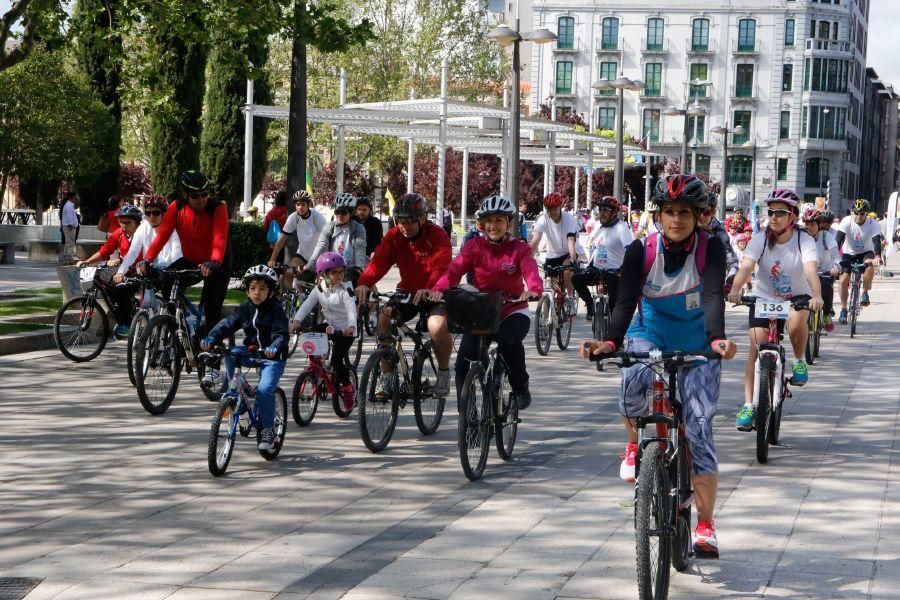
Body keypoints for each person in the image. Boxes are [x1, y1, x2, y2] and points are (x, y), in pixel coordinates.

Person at [581, 174, 736, 558]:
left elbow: (714, 294)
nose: (677, 219)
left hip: (699, 340)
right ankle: (635, 444)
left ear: (699, 216)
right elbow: (625, 300)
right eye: (669, 211)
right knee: (632, 384)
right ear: (659, 215)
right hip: (648, 332)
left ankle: (704, 525)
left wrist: (717, 339)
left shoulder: (710, 249)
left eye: (685, 212)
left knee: (698, 430)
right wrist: (610, 342)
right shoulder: (641, 251)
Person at [430, 195, 542, 408]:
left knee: (510, 344)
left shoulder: (520, 248)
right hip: (481, 311)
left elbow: (531, 272)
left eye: (499, 220)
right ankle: (468, 410)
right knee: (464, 360)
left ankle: (521, 385)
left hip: (513, 310)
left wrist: (533, 290)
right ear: (481, 223)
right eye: (488, 221)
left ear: (508, 223)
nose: (493, 226)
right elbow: (454, 271)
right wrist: (439, 289)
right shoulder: (474, 246)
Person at [727, 189, 823, 430]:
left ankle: (799, 360)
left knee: (796, 319)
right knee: (755, 348)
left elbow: (811, 270)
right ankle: (749, 405)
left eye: (780, 212)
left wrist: (818, 296)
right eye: (771, 212)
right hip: (763, 296)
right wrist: (735, 289)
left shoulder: (804, 240)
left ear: (792, 216)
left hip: (796, 297)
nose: (774, 217)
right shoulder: (760, 239)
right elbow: (746, 266)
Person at [354, 192, 454, 399]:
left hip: (435, 293)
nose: (404, 227)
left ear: (423, 218)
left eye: (410, 222)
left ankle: (444, 374)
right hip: (407, 292)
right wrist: (364, 283)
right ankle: (388, 378)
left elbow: (441, 266)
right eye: (401, 221)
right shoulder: (394, 236)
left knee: (437, 327)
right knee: (384, 316)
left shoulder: (437, 236)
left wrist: (430, 288)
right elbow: (379, 262)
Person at [201, 265, 288, 450]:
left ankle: (268, 430)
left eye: (263, 288)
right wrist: (212, 336)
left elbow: (281, 333)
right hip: (252, 351)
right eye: (253, 288)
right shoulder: (245, 308)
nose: (257, 292)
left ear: (271, 293)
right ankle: (238, 403)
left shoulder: (276, 310)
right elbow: (228, 323)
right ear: (247, 290)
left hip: (272, 357)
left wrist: (275, 346)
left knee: (264, 390)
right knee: (231, 354)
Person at [139, 170, 231, 335]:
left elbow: (220, 239)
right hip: (190, 260)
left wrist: (214, 261)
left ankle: (212, 348)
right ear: (184, 194)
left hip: (217, 262)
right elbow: (162, 236)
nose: (201, 199)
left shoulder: (218, 208)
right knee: (167, 281)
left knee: (212, 309)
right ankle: (182, 323)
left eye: (205, 194)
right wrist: (148, 259)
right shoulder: (176, 207)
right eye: (195, 196)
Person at [291, 252, 358, 411]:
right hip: (330, 326)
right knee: (312, 333)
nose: (339, 275)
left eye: (341, 272)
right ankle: (315, 364)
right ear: (324, 274)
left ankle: (348, 389)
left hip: (345, 331)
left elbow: (351, 310)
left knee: (336, 360)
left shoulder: (346, 290)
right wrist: (297, 320)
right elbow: (307, 305)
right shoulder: (319, 289)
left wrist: (351, 327)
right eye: (334, 272)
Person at [77, 204, 144, 337]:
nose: (123, 225)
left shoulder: (142, 234)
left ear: (136, 223)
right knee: (107, 287)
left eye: (127, 223)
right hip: (125, 270)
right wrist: (88, 261)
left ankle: (126, 323)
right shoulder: (119, 233)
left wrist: (120, 261)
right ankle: (122, 313)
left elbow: (143, 255)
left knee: (122, 288)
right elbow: (105, 250)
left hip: (141, 271)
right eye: (121, 222)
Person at [573, 196, 633, 321]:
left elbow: (630, 251)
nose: (602, 213)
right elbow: (596, 248)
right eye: (600, 210)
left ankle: (613, 335)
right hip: (597, 269)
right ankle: (589, 304)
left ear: (615, 212)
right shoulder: (600, 227)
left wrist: (624, 269)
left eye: (606, 210)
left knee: (614, 304)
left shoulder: (621, 228)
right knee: (576, 278)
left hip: (614, 271)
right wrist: (585, 263)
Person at [114, 195, 182, 283]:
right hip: (149, 272)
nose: (151, 216)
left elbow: (177, 256)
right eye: (148, 213)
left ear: (165, 213)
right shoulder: (143, 227)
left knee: (168, 293)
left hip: (170, 272)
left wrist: (170, 271)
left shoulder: (173, 230)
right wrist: (120, 272)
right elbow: (132, 253)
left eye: (156, 213)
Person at [268, 190, 326, 290]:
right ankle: (289, 301)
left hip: (319, 256)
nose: (300, 207)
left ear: (308, 205)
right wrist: (272, 259)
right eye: (298, 204)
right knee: (289, 272)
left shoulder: (316, 216)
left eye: (303, 204)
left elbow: (327, 237)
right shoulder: (293, 217)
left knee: (320, 285)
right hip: (303, 255)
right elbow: (281, 239)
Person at [304, 193, 367, 285]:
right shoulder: (329, 227)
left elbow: (360, 249)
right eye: (337, 212)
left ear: (352, 213)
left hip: (351, 270)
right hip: (332, 270)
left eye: (343, 213)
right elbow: (320, 247)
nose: (339, 216)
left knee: (364, 290)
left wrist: (359, 268)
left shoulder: (359, 228)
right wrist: (309, 266)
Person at [835, 198, 883, 318]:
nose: (859, 215)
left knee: (870, 265)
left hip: (865, 252)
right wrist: (835, 258)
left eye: (862, 213)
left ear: (866, 213)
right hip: (849, 253)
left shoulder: (873, 223)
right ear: (852, 212)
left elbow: (876, 241)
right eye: (856, 212)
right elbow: (838, 240)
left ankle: (865, 293)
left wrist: (877, 256)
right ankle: (844, 309)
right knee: (843, 280)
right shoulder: (847, 221)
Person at [530, 192, 579, 303]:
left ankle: (571, 297)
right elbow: (535, 240)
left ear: (560, 207)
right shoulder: (543, 219)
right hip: (552, 253)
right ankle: (552, 300)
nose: (553, 212)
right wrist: (528, 256)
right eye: (550, 209)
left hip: (568, 252)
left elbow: (571, 240)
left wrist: (573, 260)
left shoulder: (569, 219)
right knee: (550, 280)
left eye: (555, 208)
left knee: (567, 271)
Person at [803, 208, 840, 332]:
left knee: (825, 285)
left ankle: (826, 315)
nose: (808, 226)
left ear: (819, 225)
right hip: (807, 271)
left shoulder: (826, 236)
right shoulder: (801, 237)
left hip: (825, 270)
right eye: (806, 223)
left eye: (812, 224)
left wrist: (836, 266)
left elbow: (835, 252)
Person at [698, 192, 739, 286]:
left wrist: (731, 278)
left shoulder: (719, 231)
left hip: (710, 283)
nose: (700, 216)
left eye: (705, 212)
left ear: (713, 212)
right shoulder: (687, 226)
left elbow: (731, 260)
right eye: (697, 211)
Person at [60, 192, 80, 265]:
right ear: (71, 198)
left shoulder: (69, 205)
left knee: (68, 243)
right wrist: (71, 225)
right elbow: (69, 217)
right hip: (69, 227)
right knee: (70, 243)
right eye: (75, 198)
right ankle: (69, 259)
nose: (75, 199)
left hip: (69, 226)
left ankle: (66, 258)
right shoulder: (68, 206)